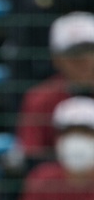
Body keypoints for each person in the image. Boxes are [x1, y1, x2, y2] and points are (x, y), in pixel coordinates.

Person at [15, 12, 94, 162]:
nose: (83, 60)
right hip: (57, 180)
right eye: (74, 53)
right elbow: (32, 153)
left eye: (89, 51)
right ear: (56, 59)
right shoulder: (39, 99)